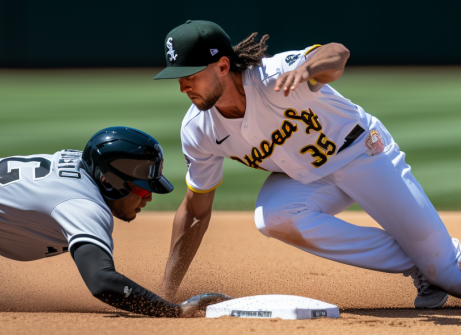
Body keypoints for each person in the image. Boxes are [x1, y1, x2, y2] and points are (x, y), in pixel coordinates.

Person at [154, 20, 461, 309]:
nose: (183, 87)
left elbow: (337, 53)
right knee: (272, 217)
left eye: (191, 76)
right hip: (307, 178)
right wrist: (165, 294)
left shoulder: (272, 75)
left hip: (362, 153)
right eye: (178, 78)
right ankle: (422, 262)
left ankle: (441, 260)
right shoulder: (198, 130)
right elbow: (195, 212)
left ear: (222, 65)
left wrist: (309, 68)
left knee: (448, 275)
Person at [0, 126, 228, 317]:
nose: (149, 197)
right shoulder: (84, 205)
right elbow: (102, 283)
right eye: (141, 188)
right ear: (110, 182)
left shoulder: (85, 164)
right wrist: (172, 310)